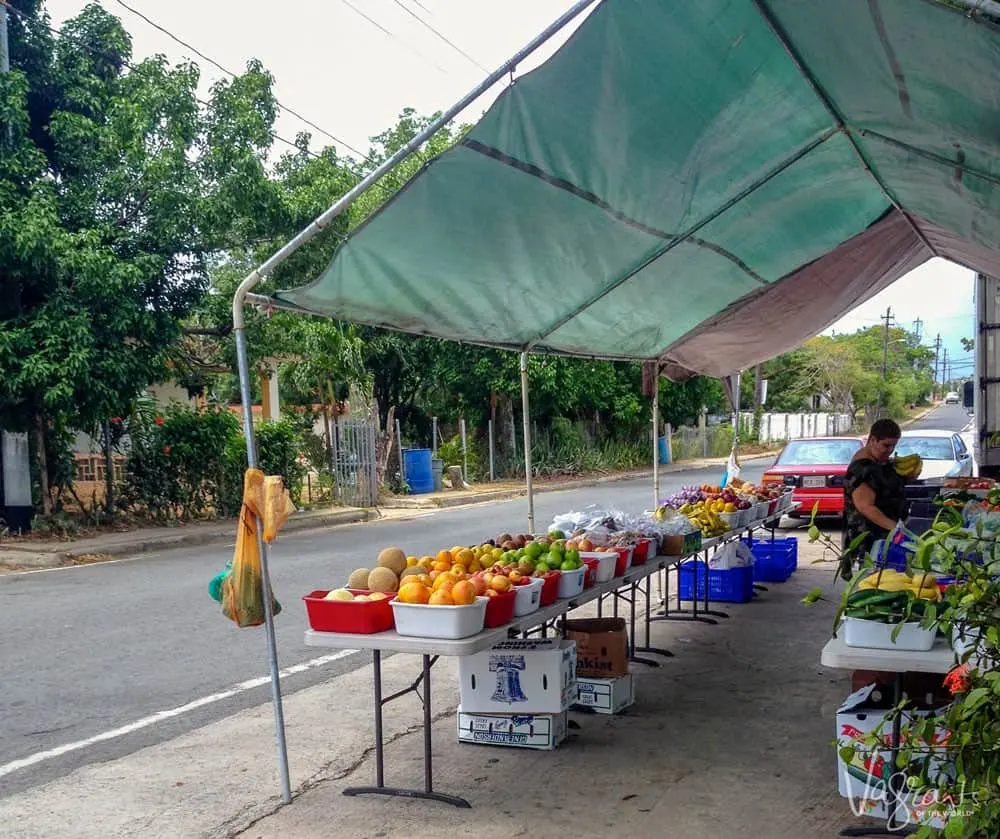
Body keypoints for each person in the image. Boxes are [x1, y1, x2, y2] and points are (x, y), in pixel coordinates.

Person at [841, 418, 908, 579]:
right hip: (871, 539)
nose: (890, 450)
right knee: (875, 583)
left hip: (881, 536)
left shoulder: (876, 461)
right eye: (886, 445)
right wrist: (897, 529)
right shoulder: (863, 469)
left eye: (893, 446)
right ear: (872, 440)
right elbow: (866, 507)